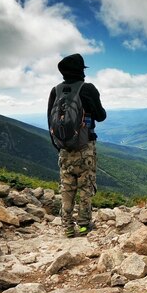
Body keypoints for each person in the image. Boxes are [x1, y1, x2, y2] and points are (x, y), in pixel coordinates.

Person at [47, 53, 106, 238]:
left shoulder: (55, 91)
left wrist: (60, 146)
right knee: (86, 187)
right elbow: (101, 116)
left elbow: (50, 121)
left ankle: (67, 228)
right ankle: (83, 225)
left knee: (67, 187)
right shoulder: (87, 89)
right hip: (85, 147)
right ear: (81, 71)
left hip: (64, 148)